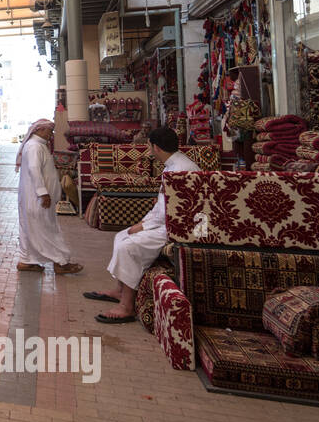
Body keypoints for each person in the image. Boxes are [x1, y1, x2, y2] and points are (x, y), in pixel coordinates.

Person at [88, 127, 200, 323]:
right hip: (169, 221)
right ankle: (119, 290)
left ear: (155, 147)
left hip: (181, 227)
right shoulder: (173, 165)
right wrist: (143, 222)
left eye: (148, 145)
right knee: (121, 235)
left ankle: (126, 307)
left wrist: (144, 227)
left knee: (128, 246)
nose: (147, 149)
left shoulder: (180, 170)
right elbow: (161, 206)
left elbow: (170, 211)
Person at [16, 119, 83, 275]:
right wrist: (43, 193)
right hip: (38, 199)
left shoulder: (38, 145)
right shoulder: (34, 147)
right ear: (39, 130)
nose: (51, 134)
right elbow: (34, 170)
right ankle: (61, 262)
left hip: (36, 199)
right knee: (47, 230)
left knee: (32, 229)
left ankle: (27, 261)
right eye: (49, 131)